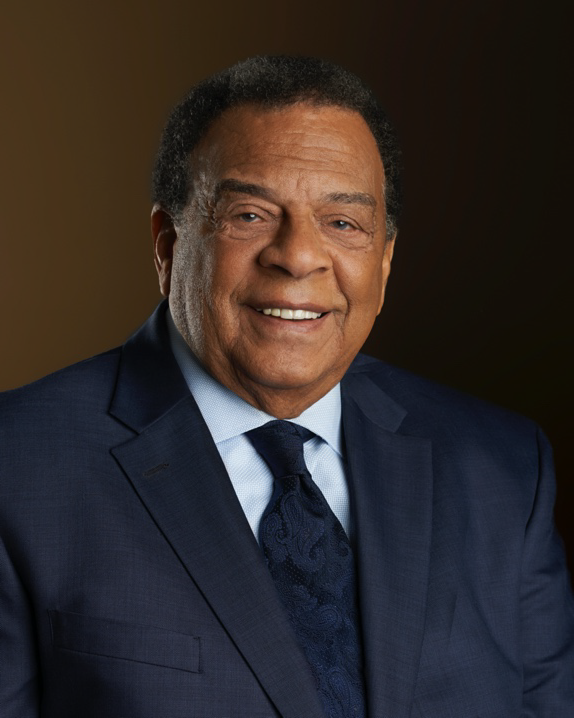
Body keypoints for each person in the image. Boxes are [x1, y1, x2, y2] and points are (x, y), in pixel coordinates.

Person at [1, 55, 572, 718]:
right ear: (167, 246)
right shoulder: (19, 469)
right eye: (249, 214)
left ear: (383, 264)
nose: (298, 256)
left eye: (343, 223)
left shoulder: (503, 467)